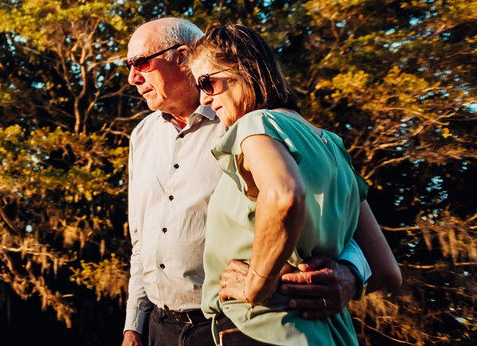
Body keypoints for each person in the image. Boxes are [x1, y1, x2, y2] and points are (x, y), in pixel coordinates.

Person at [122, 19, 373, 346]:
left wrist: (352, 272)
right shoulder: (142, 136)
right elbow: (141, 242)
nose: (132, 77)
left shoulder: (249, 121)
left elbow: (315, 208)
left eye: (141, 63)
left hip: (239, 323)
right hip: (161, 326)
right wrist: (134, 325)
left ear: (182, 57)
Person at [187, 23, 400, 345]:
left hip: (265, 330)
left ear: (244, 69)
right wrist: (350, 276)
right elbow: (386, 270)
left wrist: (256, 283)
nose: (204, 98)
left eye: (208, 82)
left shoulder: (255, 124)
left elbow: (284, 195)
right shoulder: (333, 146)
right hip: (332, 333)